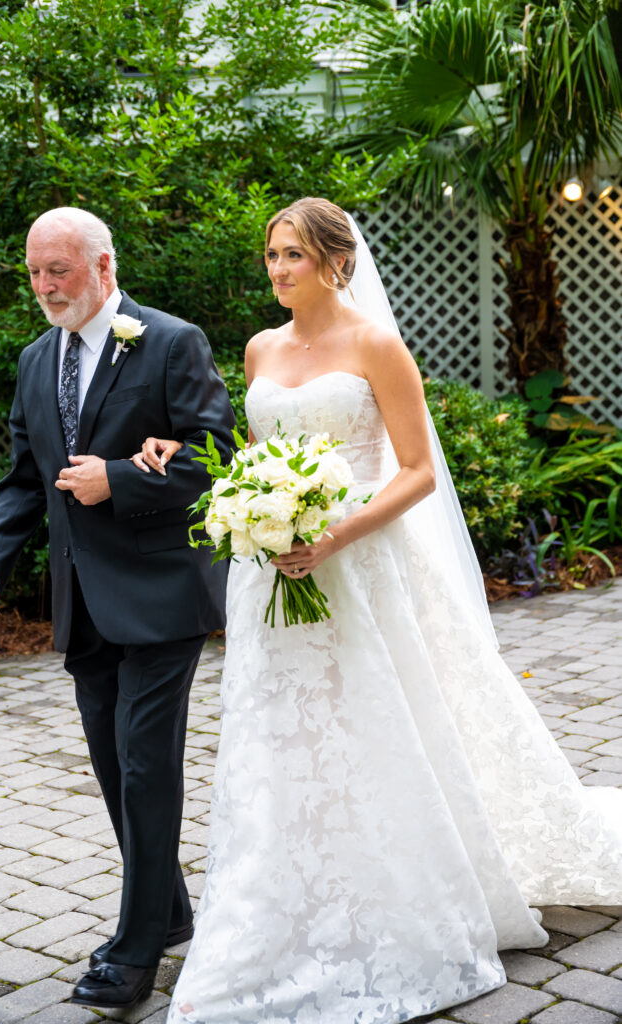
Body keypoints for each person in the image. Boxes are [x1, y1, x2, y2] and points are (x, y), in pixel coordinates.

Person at [134, 197, 622, 1024]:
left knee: (378, 722)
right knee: (282, 736)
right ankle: (278, 896)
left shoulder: (374, 343)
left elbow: (414, 471)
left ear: (335, 260)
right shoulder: (258, 349)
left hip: (360, 564)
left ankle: (403, 887)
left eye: (292, 254)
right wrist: (216, 475)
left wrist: (331, 535)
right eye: (271, 255)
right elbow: (257, 454)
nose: (278, 269)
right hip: (269, 573)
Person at [0, 207, 234, 1010]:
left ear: (104, 267)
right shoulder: (33, 360)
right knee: (116, 774)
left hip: (160, 595)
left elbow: (218, 455)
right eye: (35, 272)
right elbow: (22, 480)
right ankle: (173, 911)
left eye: (60, 271)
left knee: (146, 768)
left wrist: (123, 478)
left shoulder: (171, 341)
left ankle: (135, 949)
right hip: (84, 603)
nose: (45, 287)